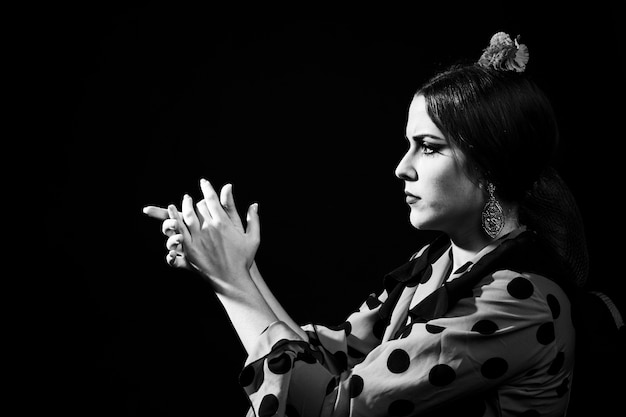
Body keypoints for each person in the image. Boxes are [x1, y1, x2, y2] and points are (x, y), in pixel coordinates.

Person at [143, 32, 588, 417]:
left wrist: (231, 280)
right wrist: (239, 265)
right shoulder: (438, 262)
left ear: (491, 166)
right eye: (407, 144)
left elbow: (334, 407)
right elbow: (331, 367)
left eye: (428, 147)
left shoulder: (521, 299)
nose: (401, 167)